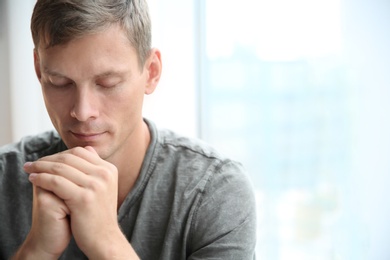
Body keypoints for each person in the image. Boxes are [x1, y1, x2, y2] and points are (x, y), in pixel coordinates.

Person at [0, 0, 257, 259]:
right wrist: (37, 250)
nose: (82, 110)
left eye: (107, 83)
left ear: (151, 72)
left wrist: (106, 241)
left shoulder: (215, 192)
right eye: (60, 82)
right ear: (38, 70)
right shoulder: (3, 178)